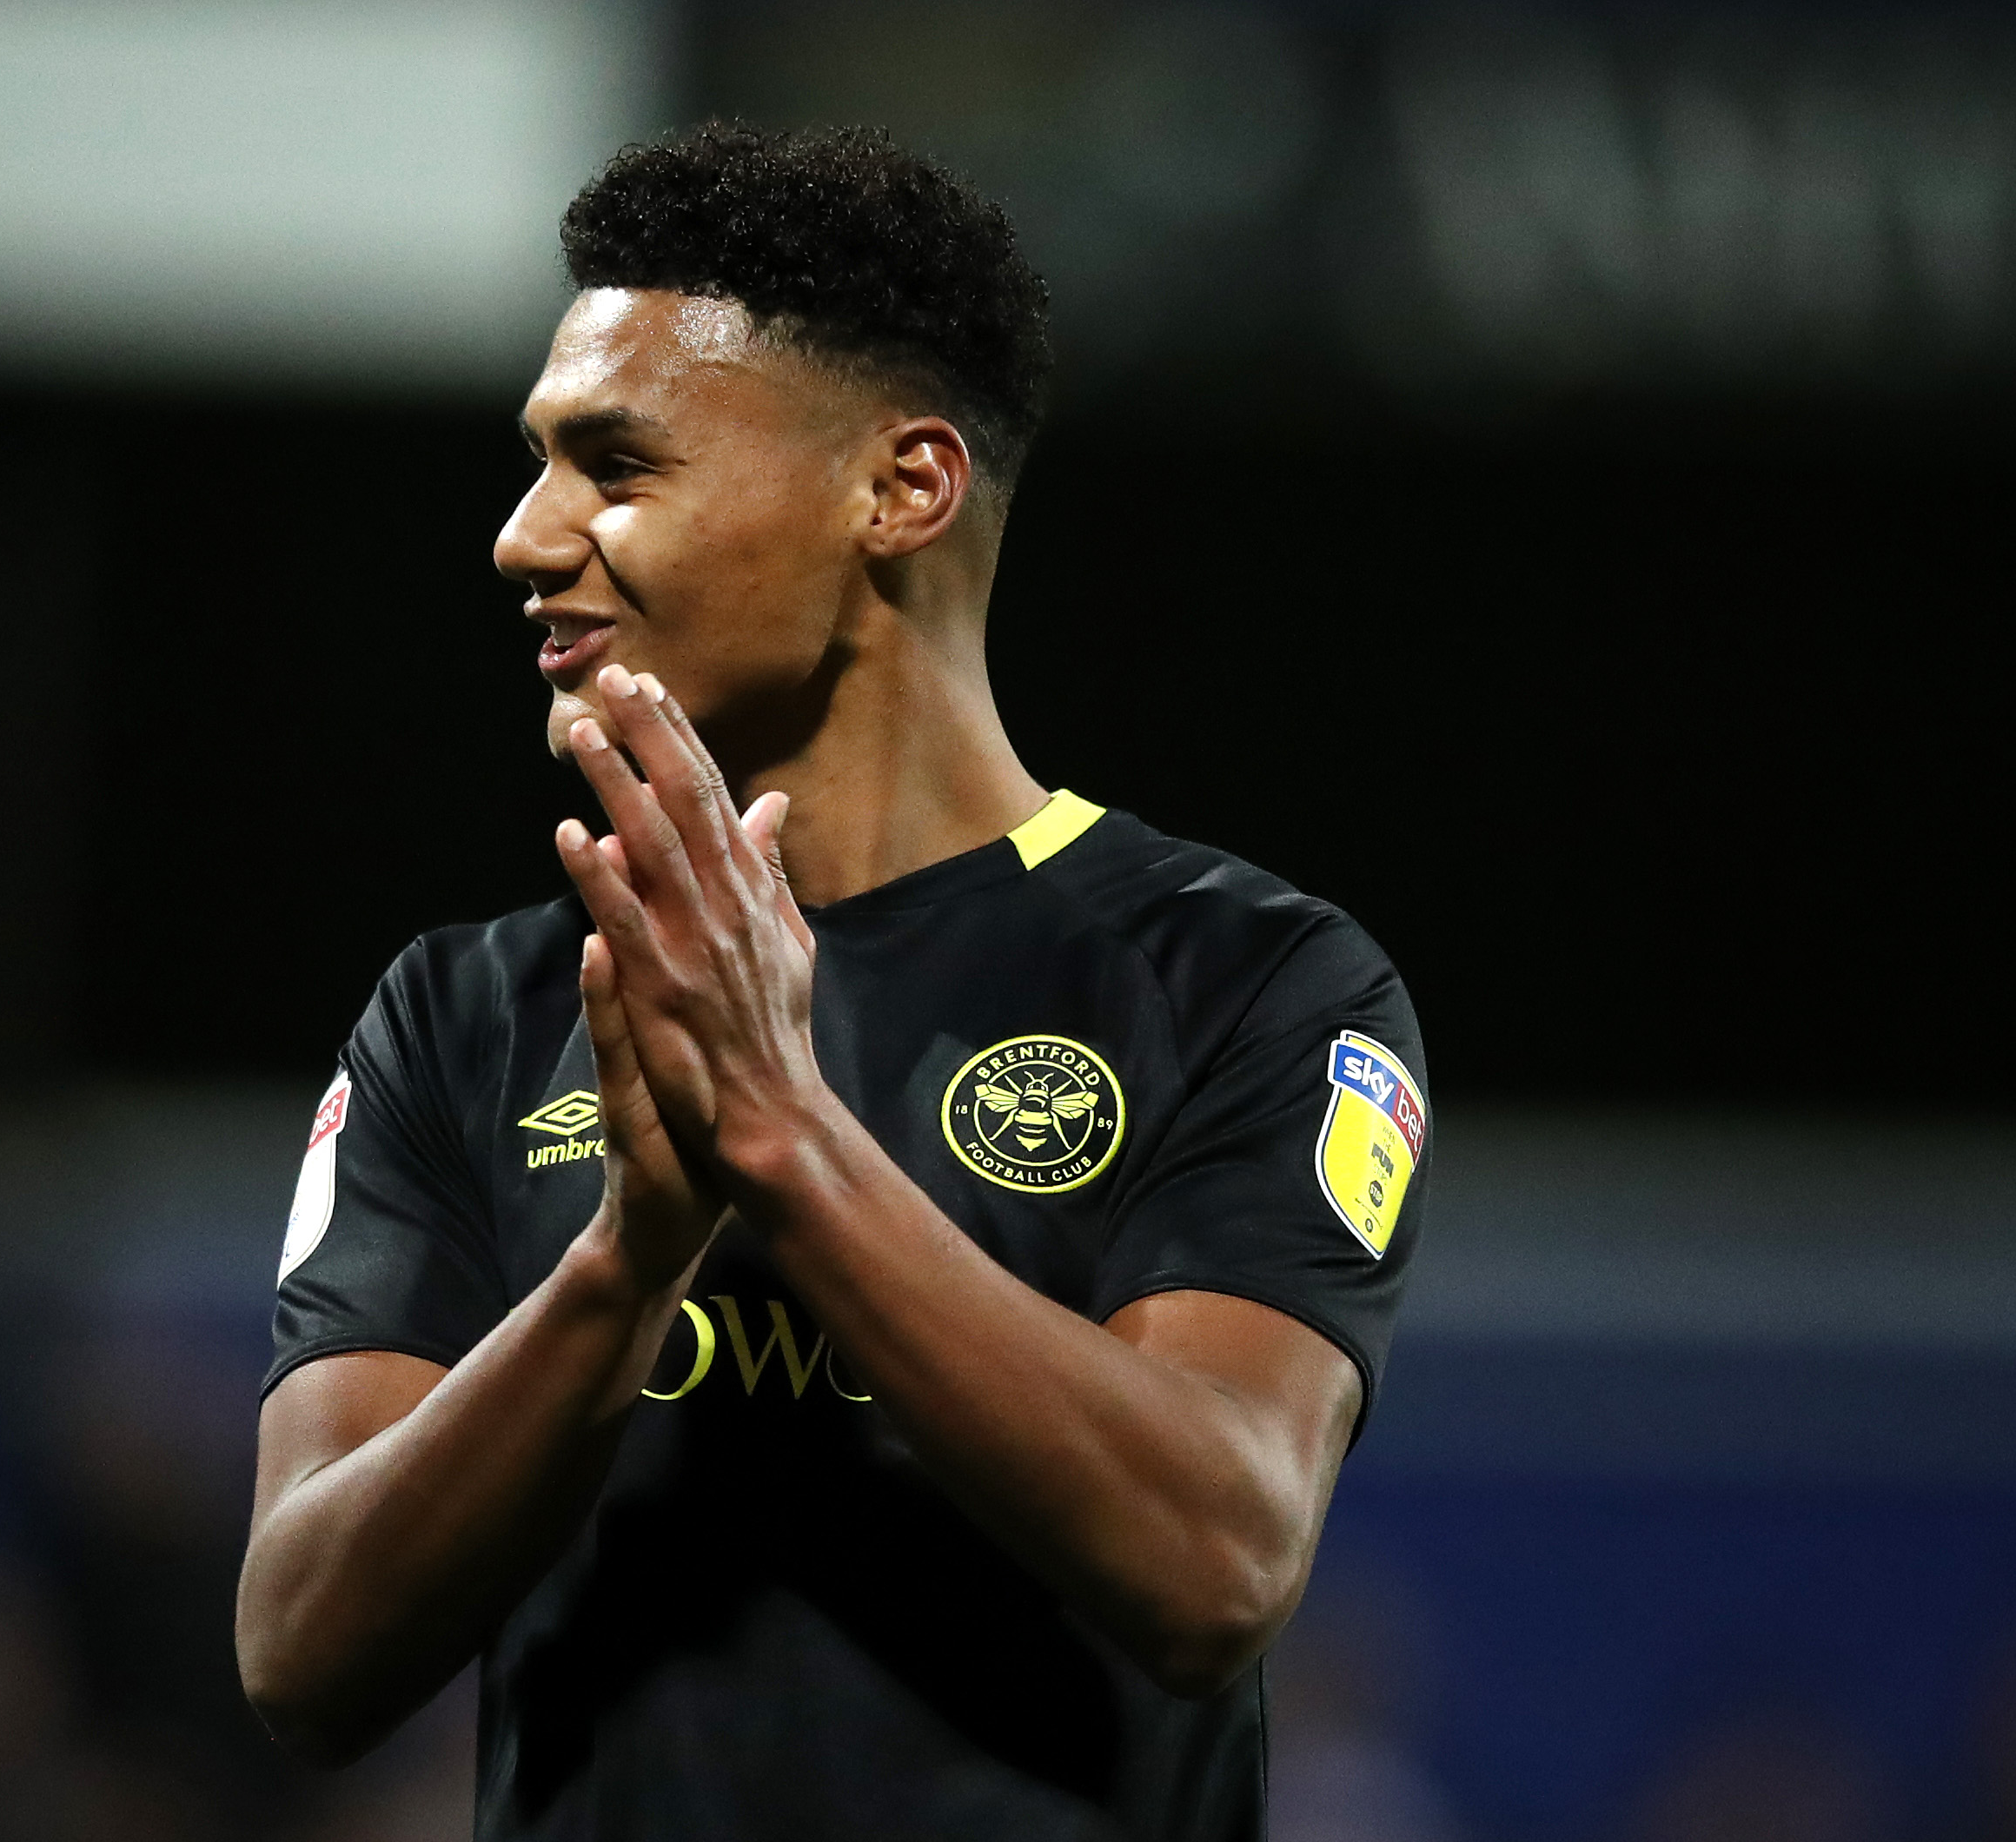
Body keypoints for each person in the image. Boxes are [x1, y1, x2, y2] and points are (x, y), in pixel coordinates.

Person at [235, 123, 1431, 1841]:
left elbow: (1219, 1561)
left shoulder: (1245, 979)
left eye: (615, 463)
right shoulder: (465, 1012)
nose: (524, 537)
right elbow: (301, 1651)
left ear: (902, 489)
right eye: (537, 462)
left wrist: (784, 1142)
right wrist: (624, 1263)